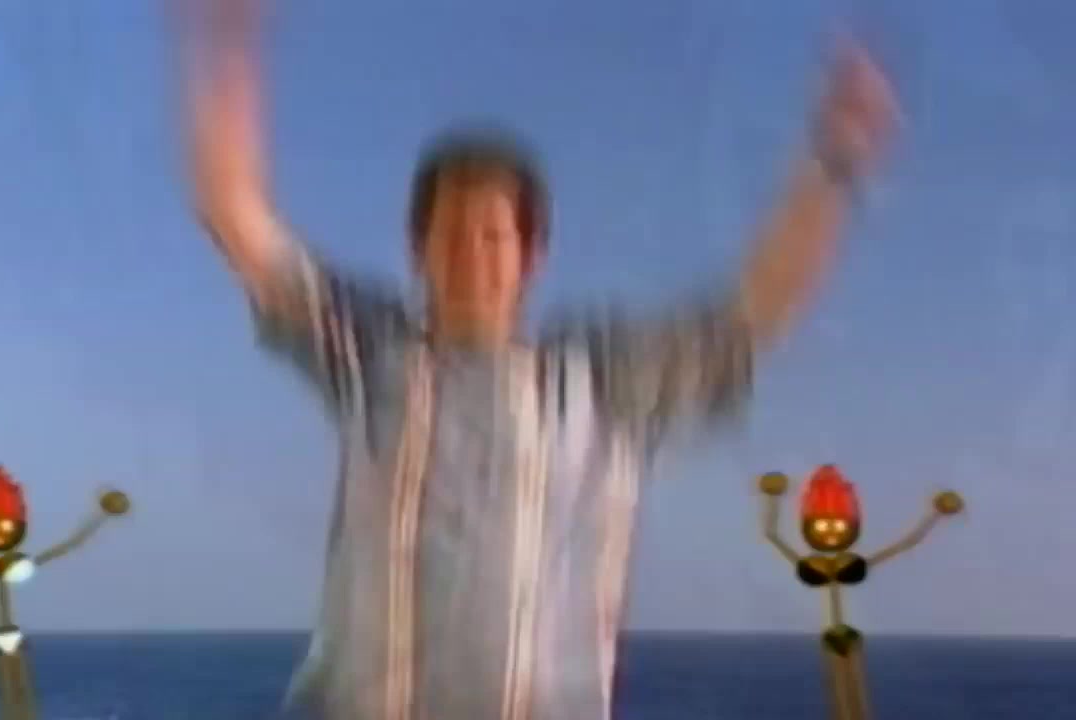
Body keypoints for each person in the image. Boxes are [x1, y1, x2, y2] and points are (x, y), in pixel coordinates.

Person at [178, 2, 896, 718]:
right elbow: (233, 213)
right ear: (416, 249)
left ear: (533, 254)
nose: (472, 255)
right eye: (451, 233)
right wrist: (228, 45)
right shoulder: (365, 352)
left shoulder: (603, 384)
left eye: (493, 236)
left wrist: (834, 163)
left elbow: (757, 311)